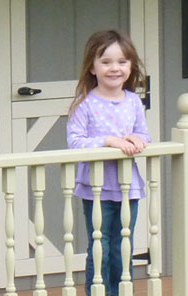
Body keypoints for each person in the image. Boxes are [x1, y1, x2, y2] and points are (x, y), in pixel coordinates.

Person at [67, 29, 149, 296]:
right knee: (99, 247)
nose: (115, 68)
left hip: (128, 188)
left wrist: (137, 138)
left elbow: (143, 134)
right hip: (96, 189)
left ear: (131, 66)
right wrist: (109, 141)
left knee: (122, 246)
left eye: (122, 62)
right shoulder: (85, 105)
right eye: (106, 62)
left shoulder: (134, 102)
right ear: (92, 67)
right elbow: (75, 142)